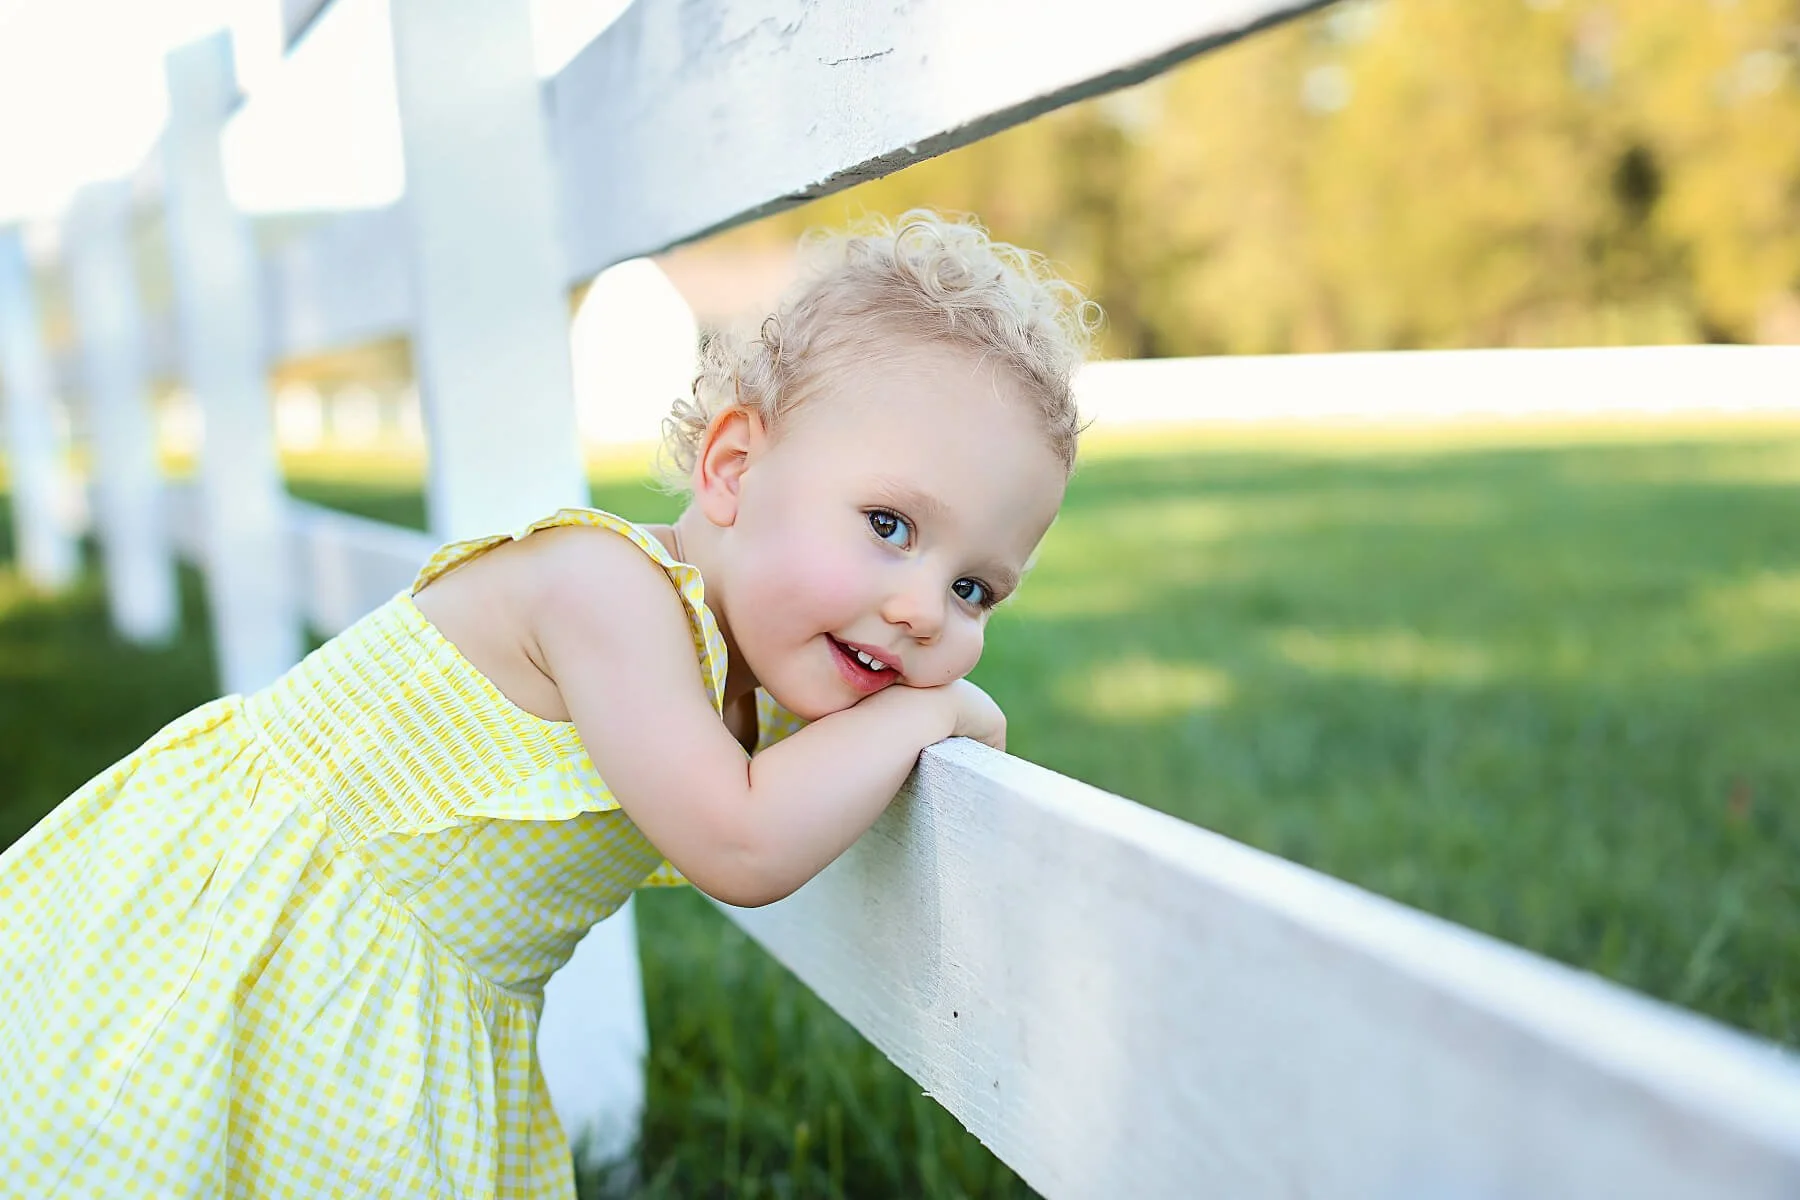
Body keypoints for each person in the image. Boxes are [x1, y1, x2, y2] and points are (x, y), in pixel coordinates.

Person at [0, 210, 1097, 1197]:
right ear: (731, 468)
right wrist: (924, 714)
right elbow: (745, 843)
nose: (921, 612)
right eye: (890, 525)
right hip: (263, 944)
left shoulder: (735, 659)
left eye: (973, 589)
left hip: (401, 996)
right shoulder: (602, 591)